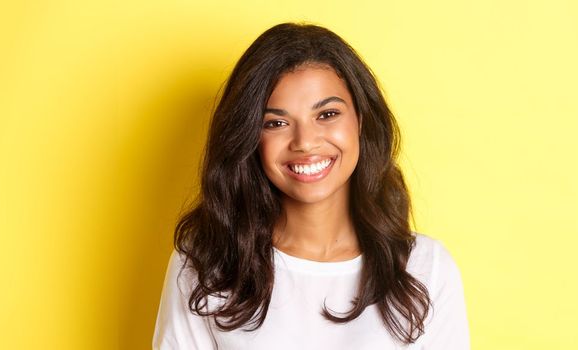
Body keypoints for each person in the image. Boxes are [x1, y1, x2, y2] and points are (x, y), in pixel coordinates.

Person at [152, 22, 470, 349]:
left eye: (327, 114)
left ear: (360, 120)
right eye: (276, 123)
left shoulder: (427, 268)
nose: (305, 142)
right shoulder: (207, 263)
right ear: (250, 137)